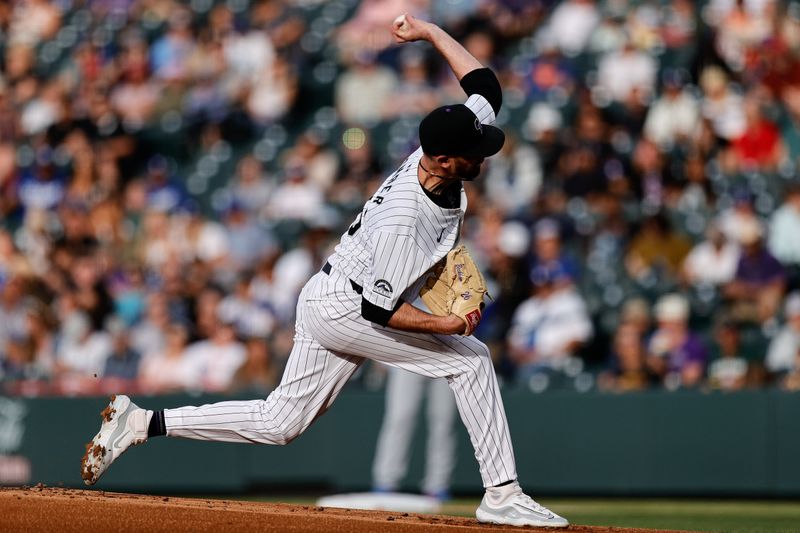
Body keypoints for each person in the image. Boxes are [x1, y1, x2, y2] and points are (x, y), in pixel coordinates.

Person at [79, 15, 569, 528]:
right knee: (469, 360)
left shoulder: (433, 157)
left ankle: (141, 422)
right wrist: (446, 325)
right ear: (444, 160)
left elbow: (485, 85)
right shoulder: (407, 217)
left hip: (331, 293)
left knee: (280, 422)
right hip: (349, 306)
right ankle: (502, 493)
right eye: (473, 154)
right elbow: (378, 308)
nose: (483, 157)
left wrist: (428, 32)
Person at [371, 369, 457, 501]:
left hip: (449, 357)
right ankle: (386, 482)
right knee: (400, 418)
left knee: (444, 422)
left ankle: (439, 485)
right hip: (408, 356)